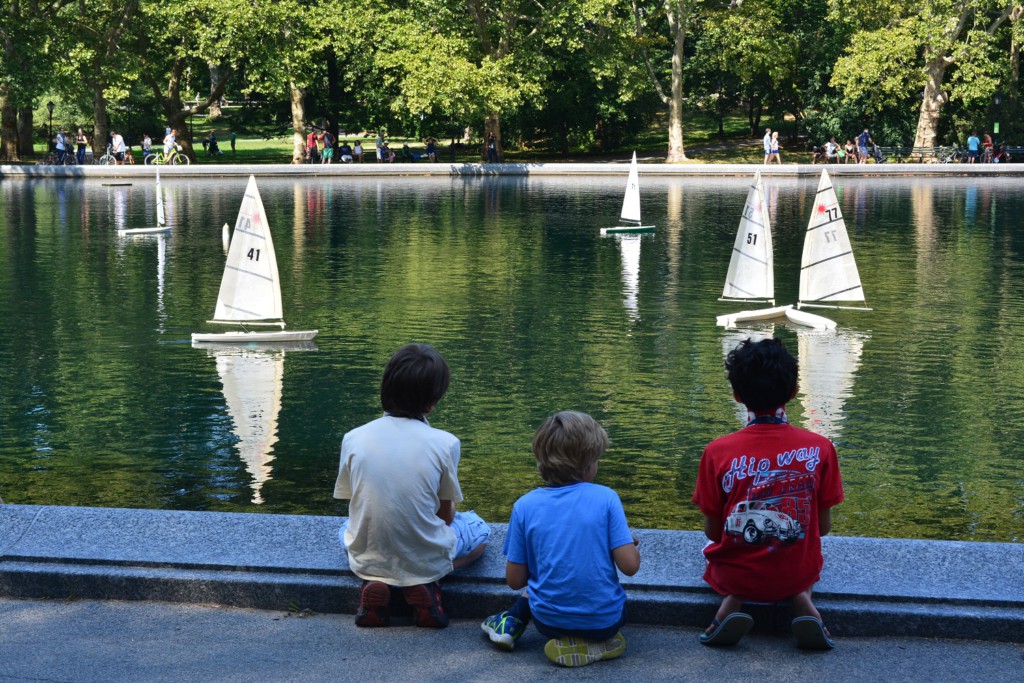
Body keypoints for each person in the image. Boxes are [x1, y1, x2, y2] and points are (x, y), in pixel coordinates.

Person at [692, 337, 844, 650]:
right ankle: (802, 600)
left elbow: (713, 530)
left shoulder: (716, 452)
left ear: (736, 395)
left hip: (736, 572)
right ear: (793, 392)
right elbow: (823, 527)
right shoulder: (821, 448)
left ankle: (731, 603)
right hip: (796, 570)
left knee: (722, 550)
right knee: (802, 551)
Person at [333, 343, 490, 629]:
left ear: (386, 387)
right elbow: (445, 517)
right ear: (432, 401)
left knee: (342, 530)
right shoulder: (446, 443)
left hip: (369, 555)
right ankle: (427, 580)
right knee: (480, 532)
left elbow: (356, 503)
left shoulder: (353, 437)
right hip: (425, 555)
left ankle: (375, 580)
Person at [480, 411, 641, 668]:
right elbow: (630, 567)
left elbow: (515, 580)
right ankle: (600, 643)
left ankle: (512, 622)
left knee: (531, 590)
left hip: (548, 622)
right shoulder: (606, 498)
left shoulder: (524, 506)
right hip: (606, 620)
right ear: (588, 463)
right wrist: (628, 542)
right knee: (609, 610)